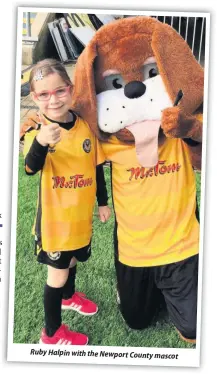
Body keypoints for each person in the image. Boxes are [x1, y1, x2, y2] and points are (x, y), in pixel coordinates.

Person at [20, 58, 111, 345]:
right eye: (44, 94)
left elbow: (95, 167)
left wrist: (103, 202)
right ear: (34, 98)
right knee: (56, 276)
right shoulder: (39, 129)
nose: (54, 100)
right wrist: (41, 143)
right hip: (55, 225)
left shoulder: (84, 126)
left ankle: (69, 298)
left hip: (80, 218)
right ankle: (51, 333)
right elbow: (30, 168)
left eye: (59, 91)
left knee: (73, 261)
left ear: (70, 90)